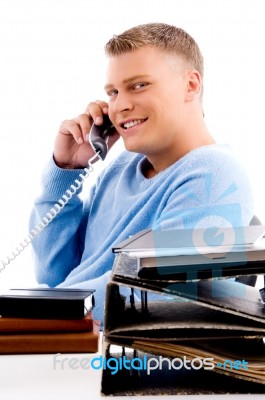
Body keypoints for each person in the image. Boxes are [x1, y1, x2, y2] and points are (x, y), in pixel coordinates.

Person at [29, 23, 254, 324]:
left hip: (124, 357)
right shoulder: (119, 170)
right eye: (112, 92)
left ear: (190, 85)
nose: (120, 106)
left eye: (139, 85)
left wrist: (37, 311)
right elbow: (55, 275)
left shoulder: (214, 174)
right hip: (75, 337)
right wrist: (66, 170)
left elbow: (153, 290)